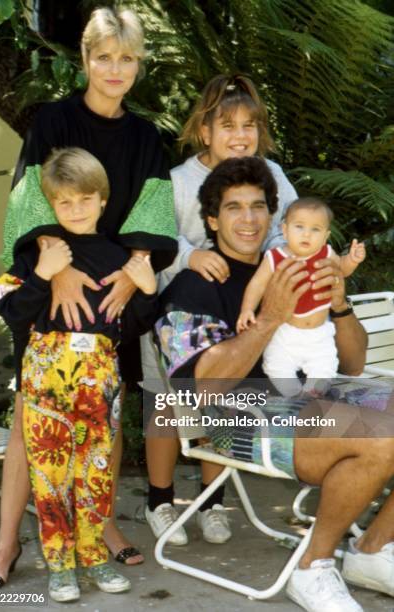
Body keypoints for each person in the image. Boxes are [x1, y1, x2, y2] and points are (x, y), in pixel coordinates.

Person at [0, 5, 177, 591]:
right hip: (50, 280)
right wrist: (55, 269)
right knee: (29, 421)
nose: (115, 70)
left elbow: (155, 215)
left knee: (104, 420)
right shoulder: (53, 122)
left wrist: (127, 273)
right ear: (86, 60)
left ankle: (102, 530)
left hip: (110, 290)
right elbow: (29, 203)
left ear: (138, 63)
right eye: (103, 57)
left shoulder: (146, 136)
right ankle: (10, 540)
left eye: (127, 59)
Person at [154, 156, 394, 612]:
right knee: (381, 439)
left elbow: (355, 362)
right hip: (228, 421)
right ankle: (312, 569)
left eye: (259, 206)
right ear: (211, 218)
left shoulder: (298, 264)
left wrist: (339, 306)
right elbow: (198, 393)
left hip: (305, 398)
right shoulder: (191, 288)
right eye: (233, 207)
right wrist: (269, 318)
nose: (249, 218)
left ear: (273, 214)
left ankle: (374, 550)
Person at [0, 148, 158, 602]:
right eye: (64, 202)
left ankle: (94, 558)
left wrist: (146, 292)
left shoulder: (118, 255)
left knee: (96, 473)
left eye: (85, 199)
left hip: (100, 378)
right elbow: (11, 313)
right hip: (46, 380)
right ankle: (60, 566)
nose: (76, 209)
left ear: (102, 200)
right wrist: (43, 277)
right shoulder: (36, 253)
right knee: (49, 477)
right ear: (51, 204)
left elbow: (132, 326)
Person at [143, 74, 298, 546]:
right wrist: (191, 255)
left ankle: (212, 501)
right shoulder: (177, 180)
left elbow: (287, 230)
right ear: (203, 131)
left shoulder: (269, 175)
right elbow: (154, 236)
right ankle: (160, 499)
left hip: (237, 306)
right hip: (175, 303)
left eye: (249, 126)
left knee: (221, 404)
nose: (240, 135)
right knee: (164, 406)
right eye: (227, 125)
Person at [237, 196, 366, 396]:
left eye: (316, 229)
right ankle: (294, 396)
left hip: (319, 334)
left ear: (325, 236)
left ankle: (312, 394)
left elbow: (341, 269)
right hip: (284, 333)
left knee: (325, 366)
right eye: (299, 227)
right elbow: (257, 285)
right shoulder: (274, 257)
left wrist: (352, 260)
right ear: (285, 229)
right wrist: (246, 309)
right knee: (276, 366)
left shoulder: (326, 254)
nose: (307, 234)